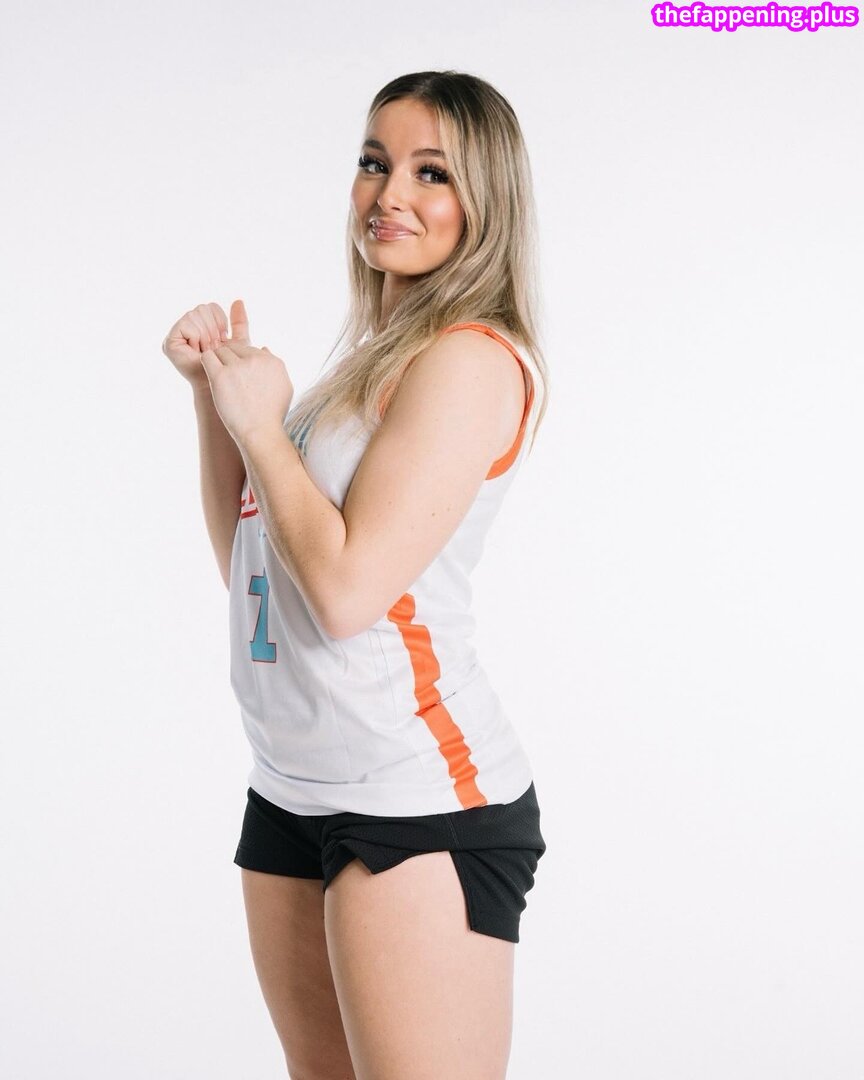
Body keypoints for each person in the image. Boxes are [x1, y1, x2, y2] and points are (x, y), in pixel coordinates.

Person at [161, 69, 551, 1080]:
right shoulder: (365, 362)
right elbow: (256, 574)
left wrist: (261, 427)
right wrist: (216, 404)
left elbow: (342, 596)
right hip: (291, 787)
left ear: (487, 200)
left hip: (415, 798)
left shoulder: (469, 360)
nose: (390, 194)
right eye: (375, 162)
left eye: (432, 173)